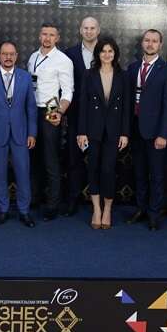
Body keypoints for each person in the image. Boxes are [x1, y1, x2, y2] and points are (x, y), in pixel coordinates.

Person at [0, 40, 38, 228]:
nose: (8, 57)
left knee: (23, 173)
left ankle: (24, 211)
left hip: (21, 133)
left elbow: (31, 108)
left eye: (11, 54)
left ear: (16, 56)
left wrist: (32, 133)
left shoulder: (26, 78)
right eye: (5, 54)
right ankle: (3, 210)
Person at [78, 36, 133, 230]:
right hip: (92, 130)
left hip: (114, 131)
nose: (107, 54)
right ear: (98, 53)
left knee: (108, 170)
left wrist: (125, 133)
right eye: (103, 51)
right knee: (93, 168)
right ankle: (96, 209)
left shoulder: (123, 76)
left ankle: (107, 209)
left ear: (115, 53)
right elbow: (83, 105)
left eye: (110, 51)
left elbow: (126, 107)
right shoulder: (88, 74)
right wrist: (81, 132)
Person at [124, 30, 167, 230]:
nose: (150, 44)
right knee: (139, 173)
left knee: (156, 175)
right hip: (136, 129)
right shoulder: (133, 68)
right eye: (147, 40)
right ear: (142, 43)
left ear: (160, 45)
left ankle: (154, 213)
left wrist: (163, 134)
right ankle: (141, 209)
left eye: (154, 41)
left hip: (156, 133)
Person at [27, 22, 74, 221]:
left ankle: (52, 205)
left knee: (50, 159)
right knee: (33, 158)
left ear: (57, 38)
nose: (47, 38)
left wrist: (59, 112)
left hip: (50, 110)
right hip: (31, 110)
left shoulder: (63, 60)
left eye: (51, 35)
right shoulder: (33, 57)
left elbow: (68, 91)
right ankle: (34, 198)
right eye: (44, 34)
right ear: (39, 36)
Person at [62, 16, 100, 216]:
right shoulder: (69, 54)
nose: (89, 31)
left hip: (100, 117)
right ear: (80, 30)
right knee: (73, 160)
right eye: (86, 28)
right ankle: (72, 199)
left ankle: (98, 203)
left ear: (98, 30)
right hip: (76, 115)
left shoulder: (106, 52)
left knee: (98, 161)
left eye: (92, 28)